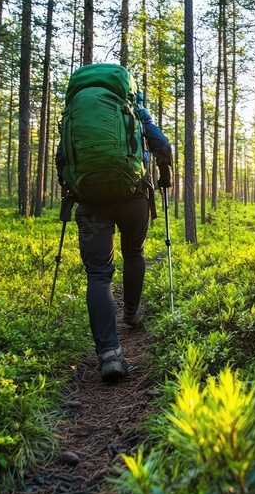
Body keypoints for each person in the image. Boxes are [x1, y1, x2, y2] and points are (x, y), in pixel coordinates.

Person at [57, 90, 173, 382]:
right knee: (134, 253)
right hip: (133, 198)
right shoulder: (134, 111)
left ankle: (109, 354)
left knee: (98, 275)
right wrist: (165, 174)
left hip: (90, 201)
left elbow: (62, 159)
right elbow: (162, 144)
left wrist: (70, 184)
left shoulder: (74, 114)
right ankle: (132, 313)